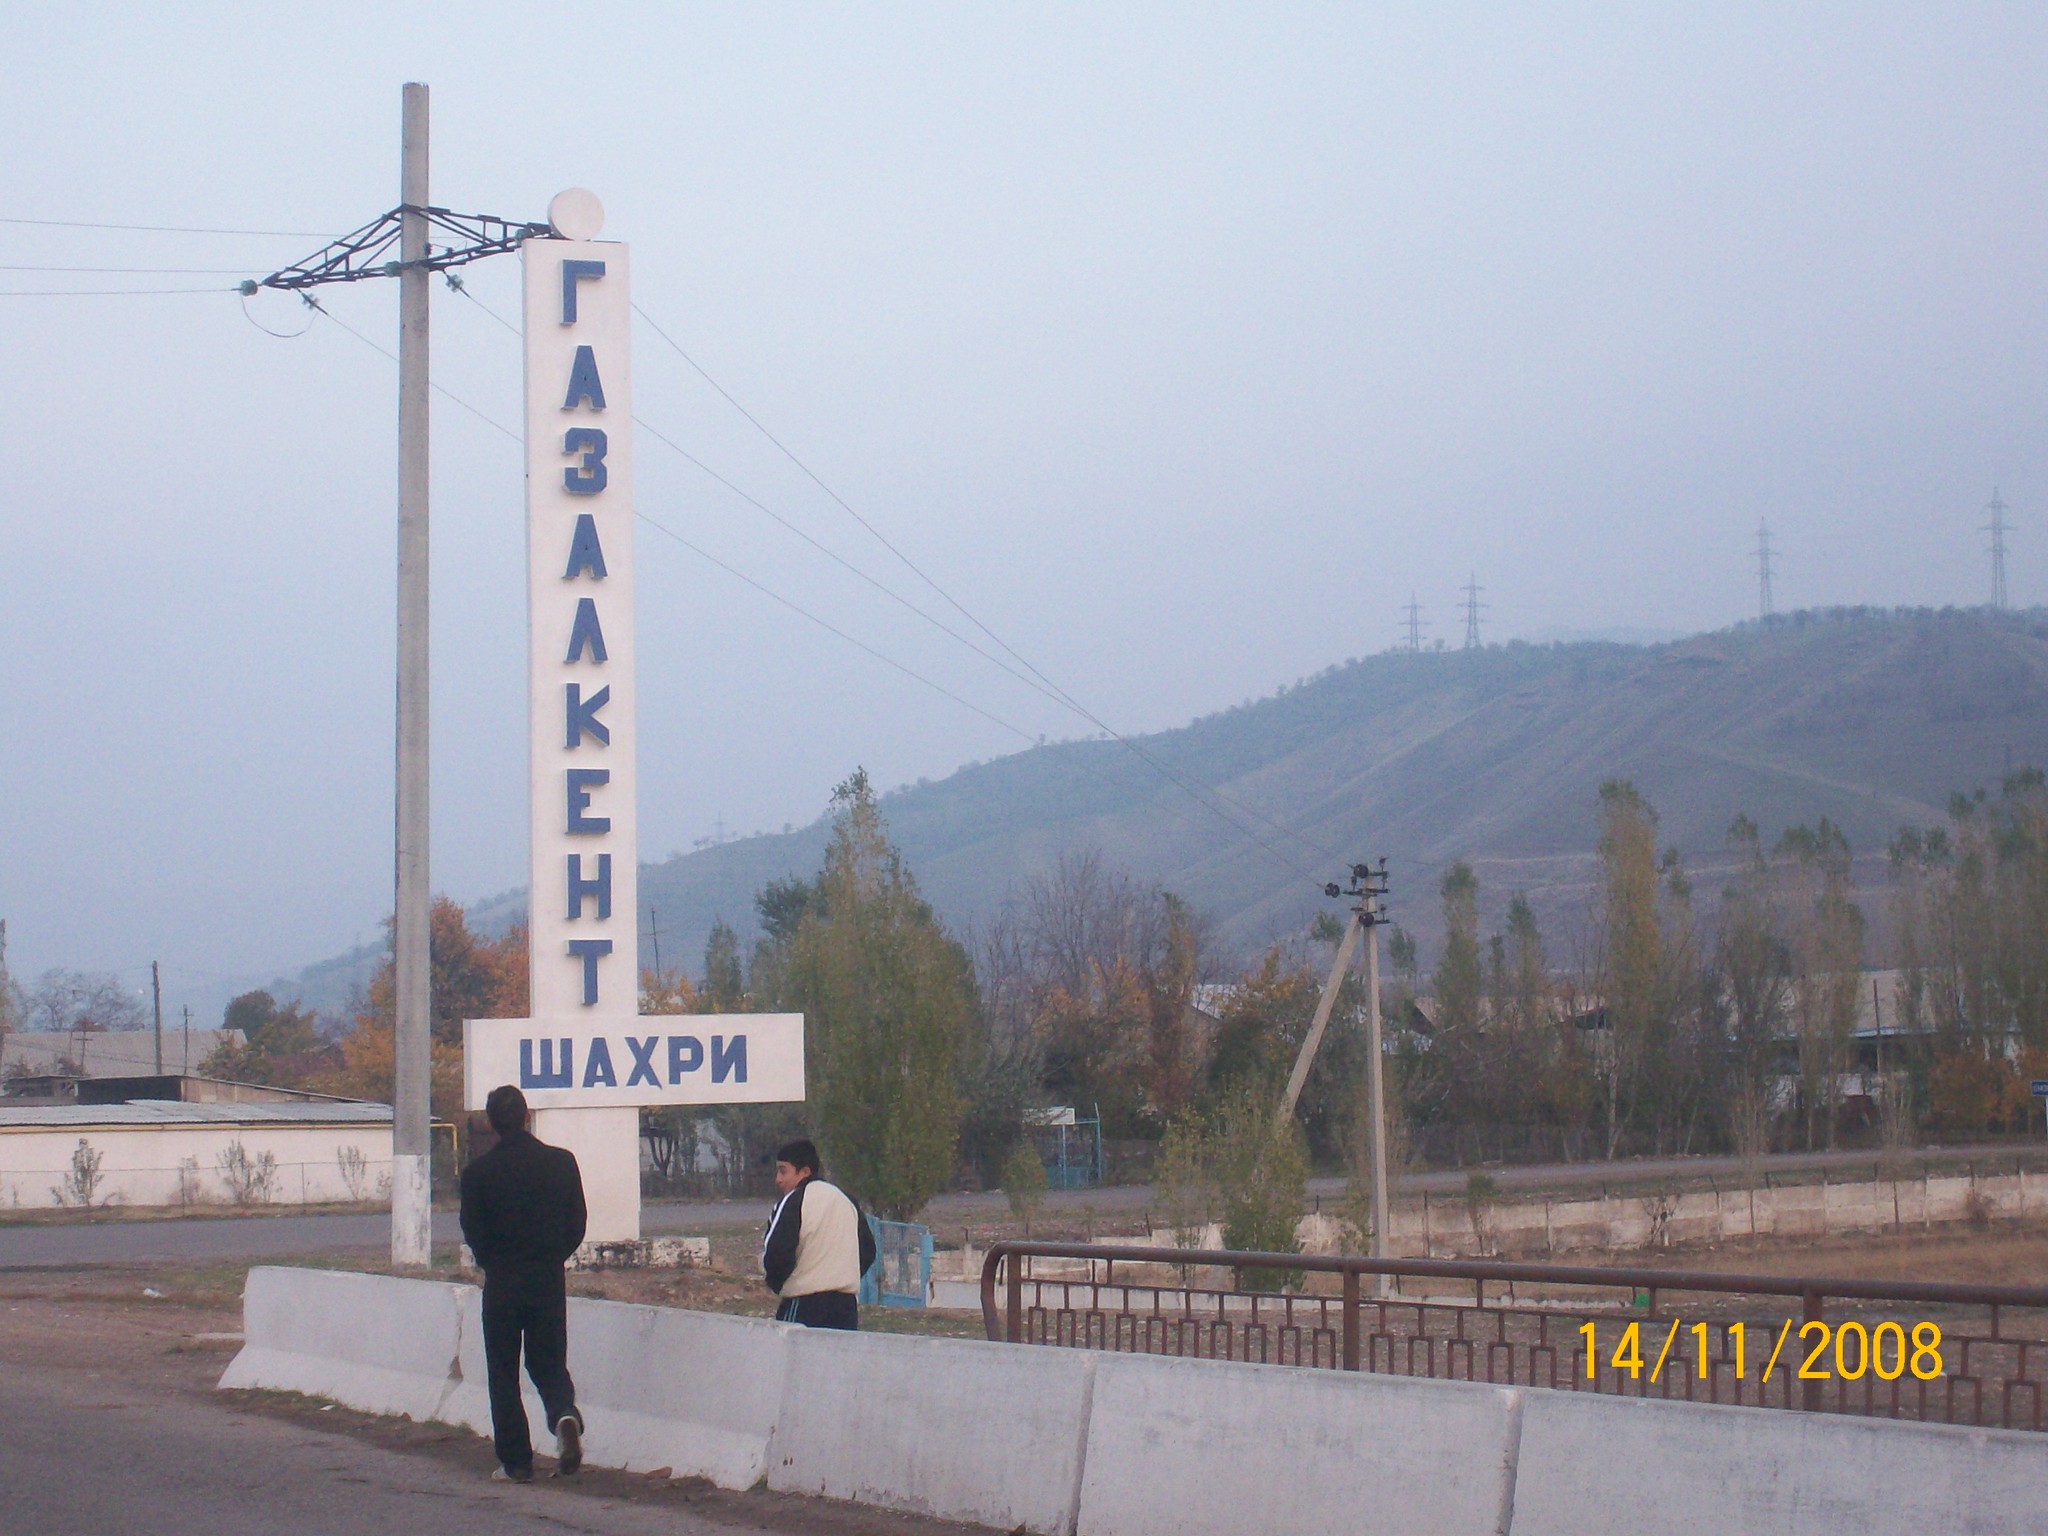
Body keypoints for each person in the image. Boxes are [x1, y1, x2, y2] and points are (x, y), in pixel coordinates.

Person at [458, 1084, 587, 1483]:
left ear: (491, 1122)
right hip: (547, 1279)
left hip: (503, 1282)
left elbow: (473, 1230)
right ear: (528, 1116)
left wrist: (493, 1262)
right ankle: (563, 1413)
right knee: (548, 1361)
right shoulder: (561, 1162)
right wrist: (552, 1258)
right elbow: (576, 1223)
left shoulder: (477, 1173)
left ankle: (516, 1461)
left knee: (503, 1370)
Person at [760, 1138, 877, 1330]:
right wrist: (840, 1278)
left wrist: (781, 1285)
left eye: (783, 1171)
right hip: (846, 1309)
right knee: (837, 1360)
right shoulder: (845, 1200)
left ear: (805, 1172)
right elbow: (868, 1251)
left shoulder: (793, 1201)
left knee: (793, 1360)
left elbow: (777, 1254)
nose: (778, 1179)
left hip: (803, 1305)